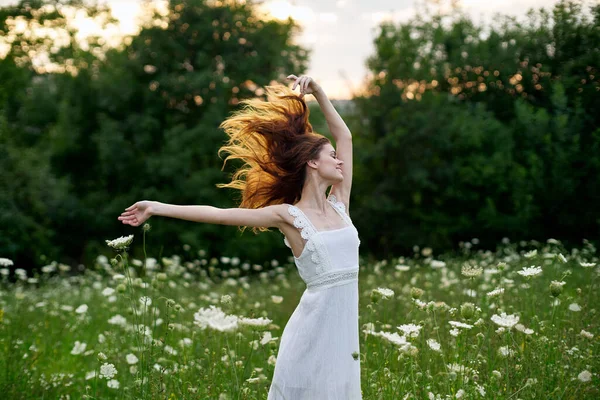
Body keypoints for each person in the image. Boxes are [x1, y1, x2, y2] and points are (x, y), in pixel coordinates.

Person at [117, 74, 362, 399]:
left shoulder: (339, 203)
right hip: (310, 337)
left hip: (344, 342)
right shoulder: (289, 216)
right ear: (312, 163)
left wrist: (319, 92)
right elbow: (220, 215)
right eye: (332, 156)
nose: (340, 160)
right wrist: (158, 207)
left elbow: (344, 135)